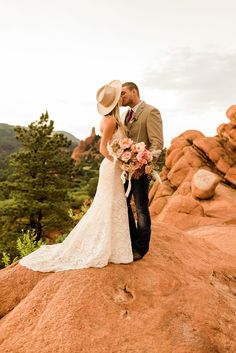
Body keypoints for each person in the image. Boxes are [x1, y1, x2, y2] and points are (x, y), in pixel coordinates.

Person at [19, 80, 133, 272]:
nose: (122, 98)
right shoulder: (111, 120)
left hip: (113, 166)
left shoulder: (108, 118)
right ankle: (107, 247)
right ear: (114, 102)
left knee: (111, 203)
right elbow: (103, 147)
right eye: (119, 96)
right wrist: (121, 162)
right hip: (111, 167)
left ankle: (114, 247)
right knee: (108, 203)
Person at [121, 82, 164, 261]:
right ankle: (131, 241)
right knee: (122, 205)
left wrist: (144, 161)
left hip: (141, 169)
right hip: (124, 169)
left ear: (134, 91)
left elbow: (157, 144)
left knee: (140, 208)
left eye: (123, 93)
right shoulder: (124, 115)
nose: (120, 97)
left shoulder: (151, 112)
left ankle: (141, 248)